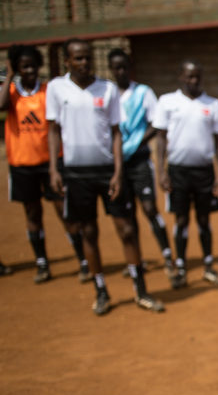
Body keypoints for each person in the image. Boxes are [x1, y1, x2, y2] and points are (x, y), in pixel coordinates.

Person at [47, 38, 164, 315]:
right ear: (68, 61)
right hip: (76, 172)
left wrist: (118, 172)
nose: (85, 63)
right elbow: (53, 131)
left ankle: (141, 290)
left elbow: (115, 132)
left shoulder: (107, 89)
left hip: (108, 171)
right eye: (78, 58)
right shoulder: (56, 89)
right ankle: (101, 290)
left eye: (88, 58)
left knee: (127, 230)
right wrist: (54, 169)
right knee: (88, 231)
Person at [1, 44, 88, 283]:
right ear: (17, 68)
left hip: (51, 162)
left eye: (33, 66)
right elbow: (0, 106)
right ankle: (42, 262)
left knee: (65, 211)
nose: (30, 71)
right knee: (32, 213)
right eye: (24, 66)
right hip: (22, 163)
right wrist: (7, 76)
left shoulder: (49, 90)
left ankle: (83, 259)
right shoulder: (10, 91)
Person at [152, 60, 218, 288]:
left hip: (204, 172)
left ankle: (208, 265)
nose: (193, 81)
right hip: (178, 172)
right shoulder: (167, 102)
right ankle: (182, 267)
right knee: (181, 219)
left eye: (197, 77)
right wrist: (161, 172)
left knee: (204, 220)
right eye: (189, 76)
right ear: (180, 76)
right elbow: (160, 139)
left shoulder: (213, 104)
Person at [108, 48, 174, 279]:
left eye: (125, 67)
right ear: (111, 70)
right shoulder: (108, 94)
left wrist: (137, 142)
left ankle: (168, 256)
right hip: (117, 165)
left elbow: (156, 124)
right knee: (127, 215)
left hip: (139, 161)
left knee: (149, 209)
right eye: (117, 68)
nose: (121, 71)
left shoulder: (143, 93)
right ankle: (136, 259)